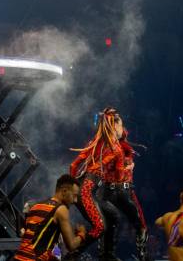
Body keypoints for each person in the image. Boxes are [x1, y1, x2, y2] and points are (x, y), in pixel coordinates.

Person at [66, 108, 124, 260]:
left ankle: (107, 254)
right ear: (115, 126)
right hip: (86, 191)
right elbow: (119, 177)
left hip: (81, 190)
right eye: (121, 125)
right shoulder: (116, 149)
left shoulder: (94, 142)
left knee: (114, 215)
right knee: (99, 227)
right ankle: (73, 254)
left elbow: (73, 166)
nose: (123, 129)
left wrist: (72, 189)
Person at [100, 126, 150, 261]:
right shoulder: (111, 148)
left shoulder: (116, 147)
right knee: (137, 223)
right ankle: (108, 254)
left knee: (113, 222)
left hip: (113, 190)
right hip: (118, 189)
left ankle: (107, 254)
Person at [14, 174, 87, 260]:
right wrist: (82, 234)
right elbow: (71, 245)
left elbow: (31, 237)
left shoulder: (36, 206)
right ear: (64, 191)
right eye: (74, 195)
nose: (75, 200)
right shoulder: (61, 209)